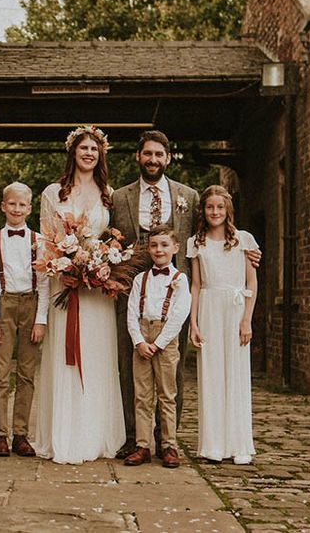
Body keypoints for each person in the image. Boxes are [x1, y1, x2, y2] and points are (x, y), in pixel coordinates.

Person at [35, 125, 125, 464]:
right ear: (72, 152)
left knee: (97, 356)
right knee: (64, 358)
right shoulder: (52, 192)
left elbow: (111, 241)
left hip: (96, 290)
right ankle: (65, 434)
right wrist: (65, 266)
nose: (89, 153)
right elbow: (45, 242)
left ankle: (95, 433)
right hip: (65, 285)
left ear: (100, 155)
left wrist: (101, 265)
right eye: (83, 147)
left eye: (94, 149)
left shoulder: (108, 193)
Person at [111, 130, 199, 459]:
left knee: (172, 367)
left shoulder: (188, 196)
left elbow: (203, 239)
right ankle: (137, 437)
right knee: (130, 363)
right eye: (147, 154)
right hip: (132, 293)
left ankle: (168, 440)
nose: (153, 160)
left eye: (158, 155)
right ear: (138, 157)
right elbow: (110, 241)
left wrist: (242, 248)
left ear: (167, 158)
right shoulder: (120, 197)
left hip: (174, 292)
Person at [188, 185, 258, 465]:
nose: (215, 212)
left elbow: (251, 282)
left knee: (236, 373)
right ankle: (213, 443)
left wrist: (246, 320)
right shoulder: (197, 242)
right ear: (203, 211)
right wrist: (193, 323)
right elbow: (195, 284)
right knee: (212, 374)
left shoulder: (243, 240)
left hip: (235, 308)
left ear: (227, 209)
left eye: (220, 207)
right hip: (208, 308)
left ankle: (239, 443)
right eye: (209, 207)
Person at [0, 181, 50, 458]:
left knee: (27, 373)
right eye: (11, 204)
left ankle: (21, 434)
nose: (16, 209)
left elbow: (46, 283)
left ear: (30, 208)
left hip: (31, 302)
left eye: (22, 204)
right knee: (0, 372)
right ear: (3, 206)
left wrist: (41, 320)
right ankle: (0, 433)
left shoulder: (40, 241)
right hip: (3, 303)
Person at [124, 225, 191, 468]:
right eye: (154, 245)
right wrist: (139, 341)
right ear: (148, 249)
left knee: (167, 395)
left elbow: (179, 315)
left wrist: (159, 343)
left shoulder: (180, 280)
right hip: (141, 337)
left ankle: (169, 445)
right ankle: (142, 446)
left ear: (175, 248)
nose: (158, 250)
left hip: (166, 339)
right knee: (141, 395)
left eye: (164, 245)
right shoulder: (140, 279)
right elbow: (131, 312)